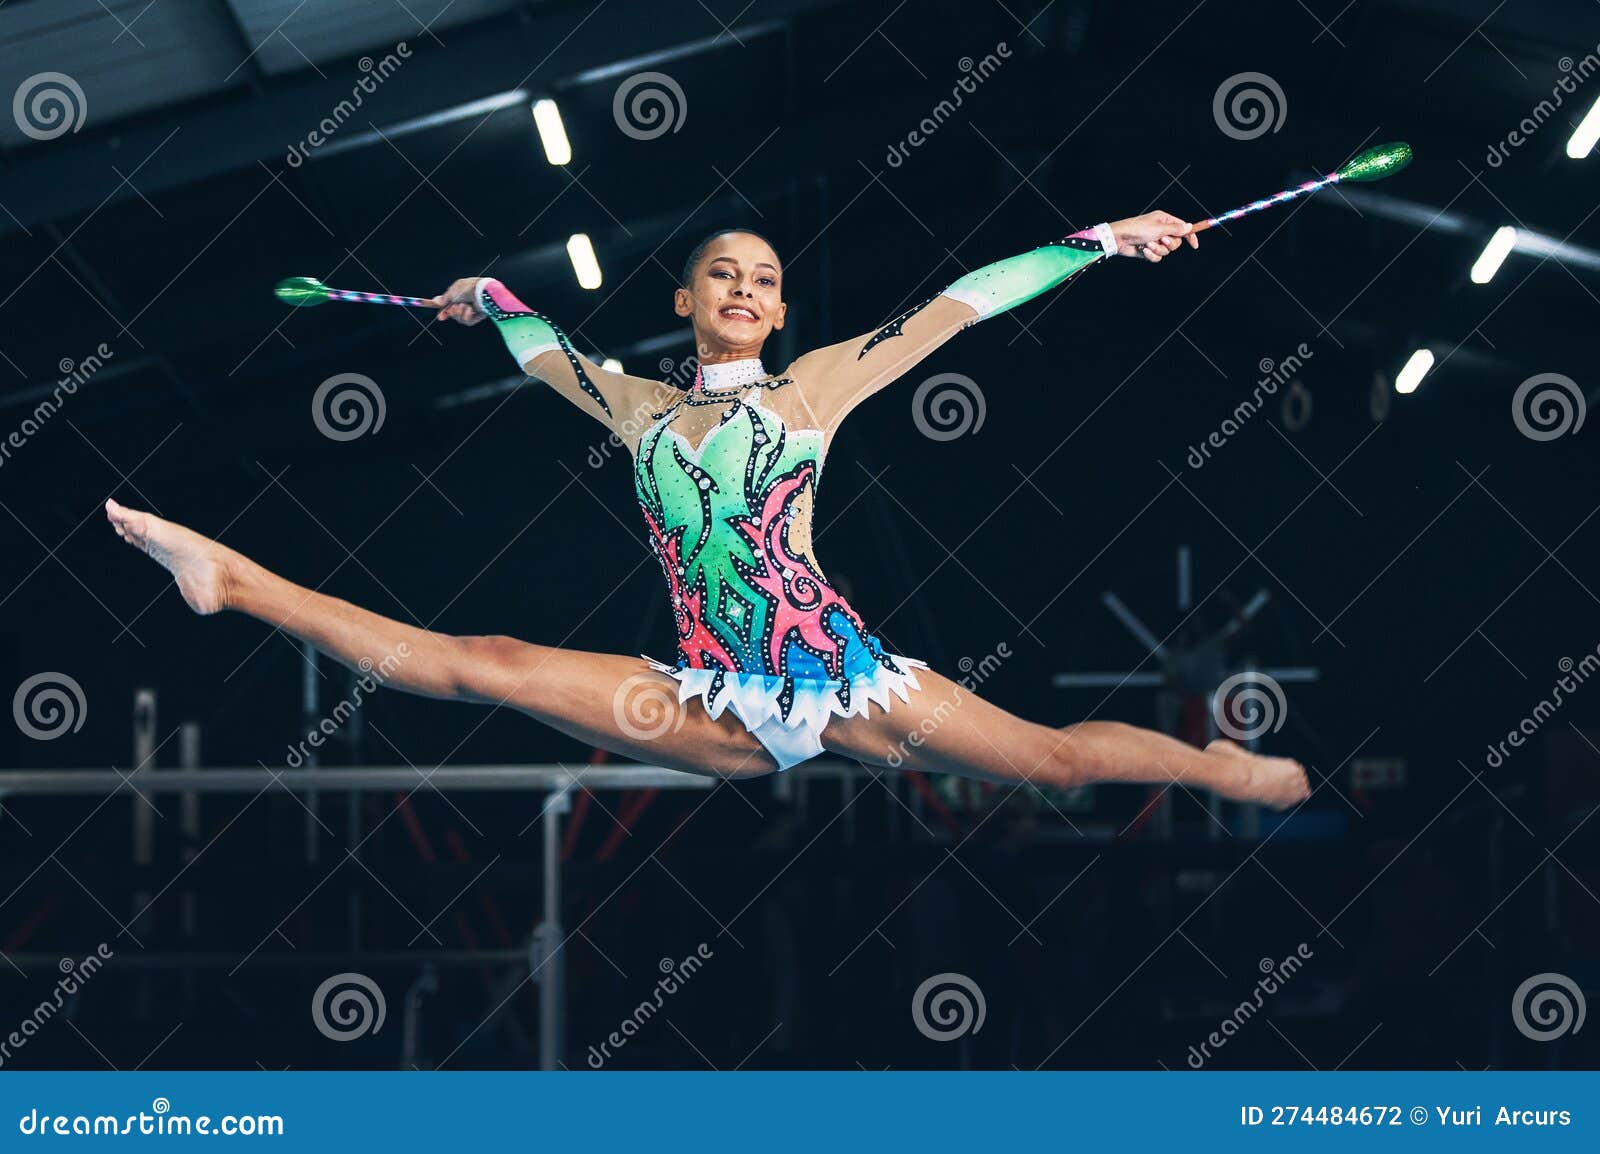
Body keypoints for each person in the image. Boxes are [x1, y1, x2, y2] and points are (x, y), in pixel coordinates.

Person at [106, 211, 1308, 808]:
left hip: (845, 675)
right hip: (711, 699)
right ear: (687, 297)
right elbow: (537, 346)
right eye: (724, 272)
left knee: (1047, 764)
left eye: (766, 279)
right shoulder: (630, 408)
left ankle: (1219, 772)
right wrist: (486, 291)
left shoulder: (819, 382)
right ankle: (228, 573)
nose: (745, 288)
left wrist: (1102, 240)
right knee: (487, 663)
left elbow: (961, 303)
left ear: (780, 313)